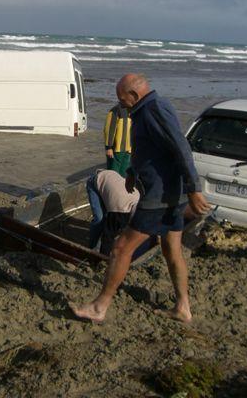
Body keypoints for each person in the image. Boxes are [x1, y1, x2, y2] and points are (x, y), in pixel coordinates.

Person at [72, 73, 210, 324]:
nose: (120, 103)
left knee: (121, 248)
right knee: (172, 249)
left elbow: (180, 146)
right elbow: (154, 151)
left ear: (134, 95)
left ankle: (100, 306)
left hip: (160, 196)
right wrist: (133, 173)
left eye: (121, 98)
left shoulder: (153, 110)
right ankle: (183, 307)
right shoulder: (151, 108)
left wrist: (194, 188)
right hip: (170, 194)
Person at [86, 169, 140, 255]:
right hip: (95, 181)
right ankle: (91, 247)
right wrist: (103, 257)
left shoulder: (138, 199)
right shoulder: (120, 210)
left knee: (113, 222)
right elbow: (108, 237)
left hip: (112, 179)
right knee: (99, 219)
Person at [103, 96, 132, 177]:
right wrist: (109, 148)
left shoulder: (132, 110)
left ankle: (122, 188)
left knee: (124, 173)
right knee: (113, 173)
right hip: (116, 149)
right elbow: (109, 130)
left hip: (128, 149)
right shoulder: (115, 111)